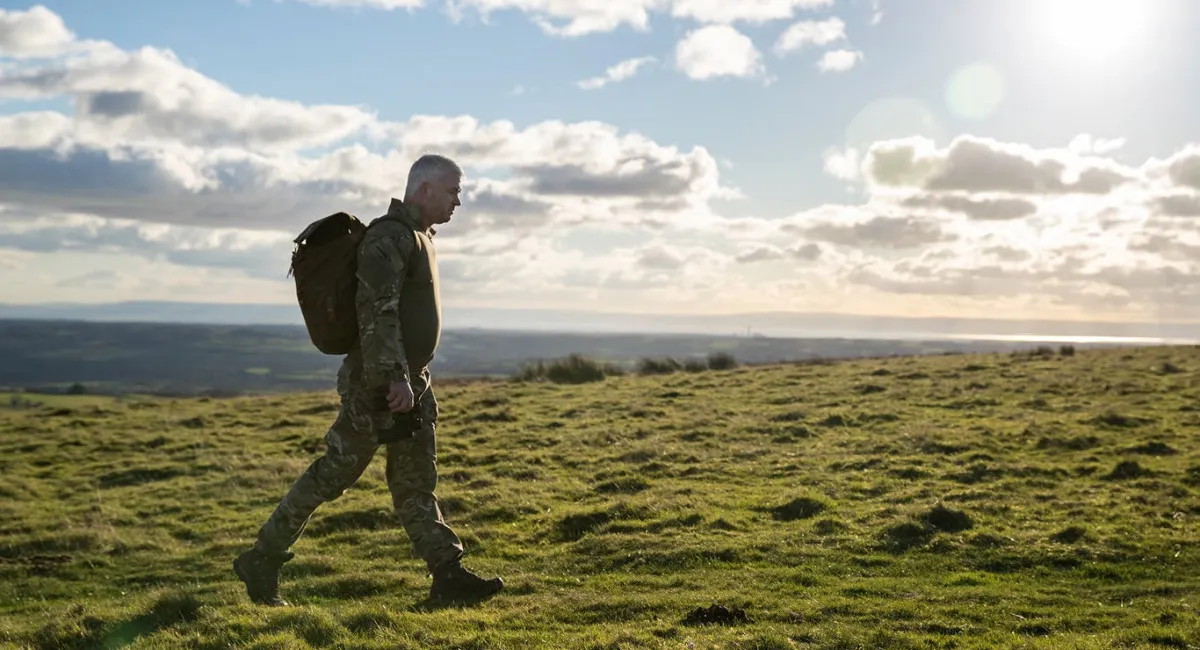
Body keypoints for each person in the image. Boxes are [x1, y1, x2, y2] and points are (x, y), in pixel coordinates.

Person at [234, 154, 503, 606]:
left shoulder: (420, 237)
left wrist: (410, 379)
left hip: (408, 381)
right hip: (378, 384)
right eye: (453, 190)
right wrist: (393, 379)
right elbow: (376, 314)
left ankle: (448, 575)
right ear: (424, 189)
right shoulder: (388, 239)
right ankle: (262, 557)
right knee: (333, 474)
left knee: (415, 480)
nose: (459, 200)